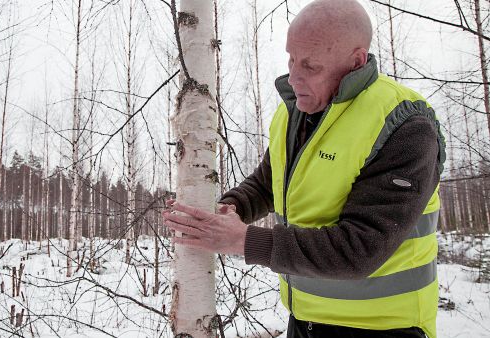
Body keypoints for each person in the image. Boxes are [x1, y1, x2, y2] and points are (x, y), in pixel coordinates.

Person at [162, 0, 445, 337]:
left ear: (356, 61)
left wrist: (244, 241)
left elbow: (362, 247)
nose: (293, 78)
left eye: (310, 65)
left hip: (383, 327)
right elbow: (268, 183)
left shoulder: (405, 125)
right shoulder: (293, 114)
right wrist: (231, 207)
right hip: (306, 321)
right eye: (291, 59)